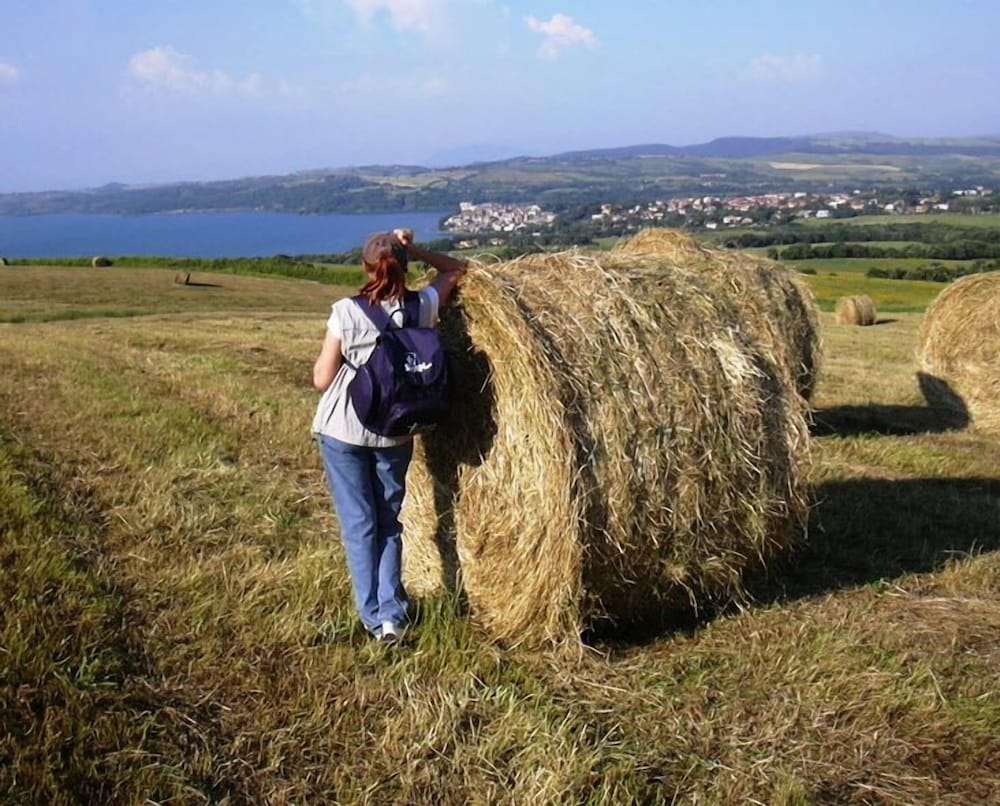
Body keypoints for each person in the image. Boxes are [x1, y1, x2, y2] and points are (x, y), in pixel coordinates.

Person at [312, 229, 467, 644]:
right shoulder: (423, 306)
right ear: (406, 265)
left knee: (360, 524)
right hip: (396, 432)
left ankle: (372, 616)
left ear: (365, 266)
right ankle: (393, 616)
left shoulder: (346, 311)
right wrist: (413, 247)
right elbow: (456, 269)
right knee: (388, 522)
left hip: (344, 431)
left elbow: (322, 379)